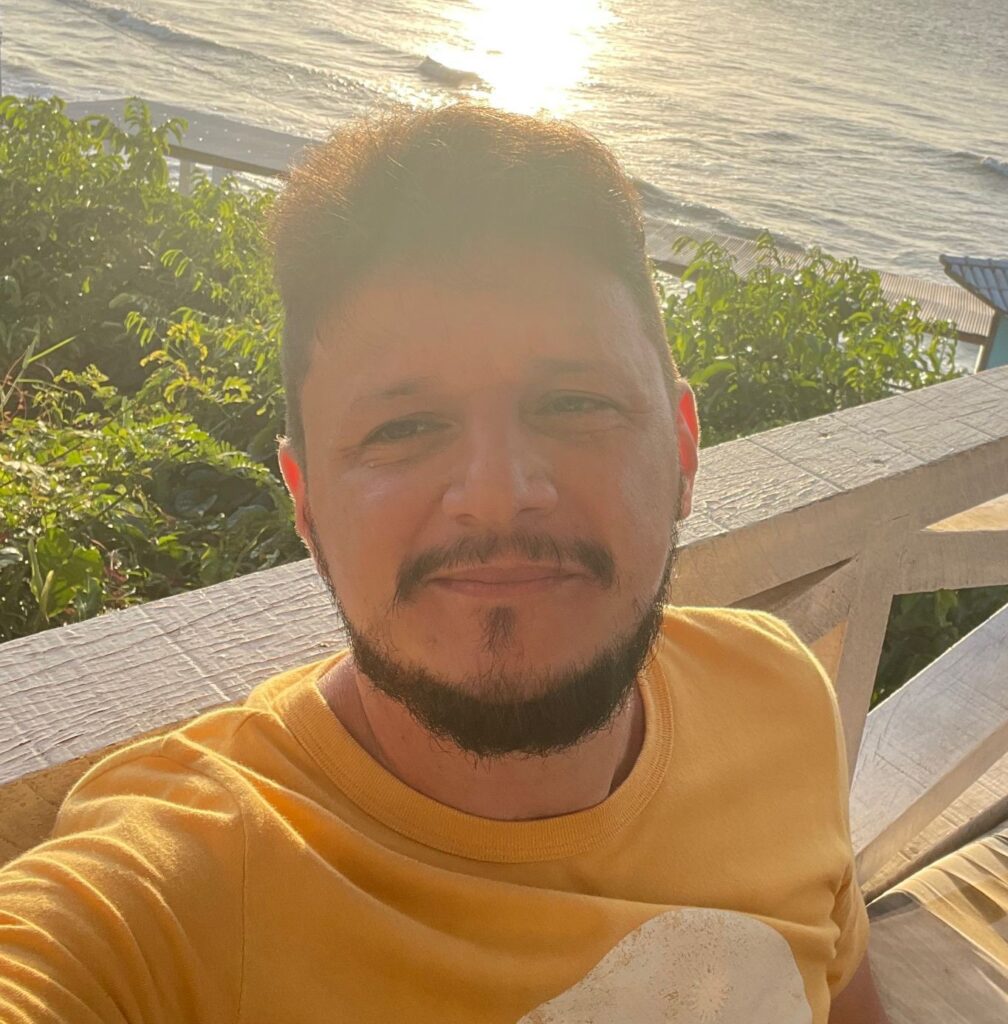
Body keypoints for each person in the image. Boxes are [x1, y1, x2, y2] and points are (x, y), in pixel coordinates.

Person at [0, 104, 888, 1023]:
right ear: (307, 504)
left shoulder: (777, 692)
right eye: (405, 427)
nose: (498, 495)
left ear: (684, 450)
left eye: (575, 403)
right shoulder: (178, 891)